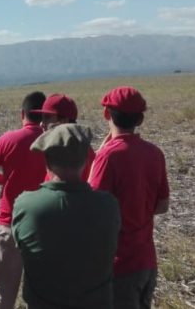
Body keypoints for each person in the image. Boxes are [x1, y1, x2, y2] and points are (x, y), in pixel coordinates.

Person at [13, 124, 121, 308]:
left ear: (46, 161)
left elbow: (21, 248)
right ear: (87, 160)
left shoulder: (26, 205)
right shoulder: (108, 205)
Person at [88, 86, 170, 309]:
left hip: (119, 265)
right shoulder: (155, 153)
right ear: (140, 119)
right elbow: (163, 205)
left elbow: (92, 207)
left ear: (107, 114)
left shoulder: (108, 157)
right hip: (146, 262)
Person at [0, 91, 46, 309]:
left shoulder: (9, 139)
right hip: (42, 226)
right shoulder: (52, 141)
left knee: (4, 292)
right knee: (41, 293)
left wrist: (2, 180)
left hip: (9, 222)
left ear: (22, 113)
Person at [32, 93, 95, 182]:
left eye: (47, 117)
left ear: (64, 121)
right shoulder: (70, 147)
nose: (42, 123)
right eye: (42, 118)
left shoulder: (77, 152)